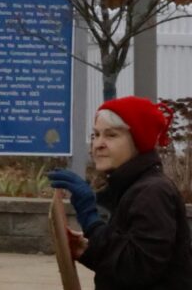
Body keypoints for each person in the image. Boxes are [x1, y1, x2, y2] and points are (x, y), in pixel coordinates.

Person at [49, 96, 192, 290]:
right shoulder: (134, 187)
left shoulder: (152, 192)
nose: (98, 144)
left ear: (138, 141)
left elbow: (138, 269)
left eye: (111, 135)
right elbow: (122, 266)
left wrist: (91, 220)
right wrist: (86, 251)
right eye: (96, 134)